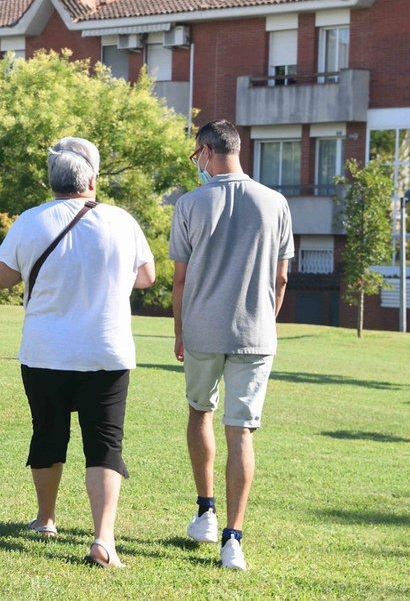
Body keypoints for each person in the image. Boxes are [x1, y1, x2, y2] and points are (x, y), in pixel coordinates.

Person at [0, 137, 156, 569]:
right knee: (104, 443)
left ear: (52, 181)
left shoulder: (30, 221)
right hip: (107, 350)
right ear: (92, 180)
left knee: (48, 432)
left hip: (45, 351)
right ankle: (104, 538)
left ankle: (46, 519)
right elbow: (147, 278)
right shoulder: (122, 221)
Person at [169, 119, 294, 570]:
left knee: (200, 410)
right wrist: (266, 320)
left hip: (203, 328)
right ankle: (233, 540)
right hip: (256, 332)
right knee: (240, 429)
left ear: (205, 151)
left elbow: (180, 279)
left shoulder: (190, 203)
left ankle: (205, 510)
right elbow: (281, 277)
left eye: (195, 155)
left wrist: (179, 331)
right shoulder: (276, 202)